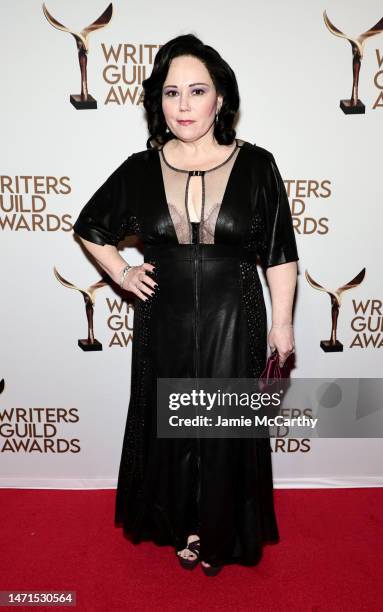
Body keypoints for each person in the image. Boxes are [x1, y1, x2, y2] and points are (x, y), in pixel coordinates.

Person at [72, 33, 299, 576]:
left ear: (220, 97)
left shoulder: (258, 166)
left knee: (223, 426)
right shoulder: (138, 168)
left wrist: (283, 323)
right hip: (164, 316)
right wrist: (123, 272)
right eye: (171, 93)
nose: (184, 104)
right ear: (159, 102)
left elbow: (280, 252)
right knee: (170, 423)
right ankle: (185, 524)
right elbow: (90, 227)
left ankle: (219, 529)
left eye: (197, 91)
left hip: (235, 313)